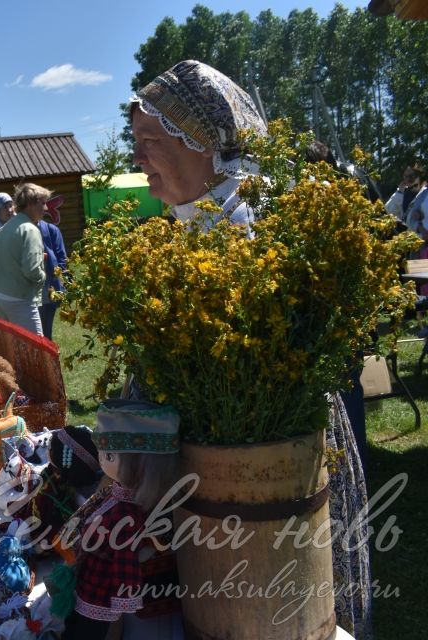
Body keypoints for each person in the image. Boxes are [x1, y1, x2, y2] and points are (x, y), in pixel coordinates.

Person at [131, 59, 371, 638]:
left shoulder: (254, 231)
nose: (137, 156)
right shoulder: (186, 226)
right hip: (214, 471)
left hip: (276, 464)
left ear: (202, 144)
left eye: (149, 141)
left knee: (286, 605)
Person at [59, 401, 183, 639]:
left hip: (101, 584)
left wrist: (122, 598)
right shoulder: (116, 493)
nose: (102, 461)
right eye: (103, 453)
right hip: (89, 573)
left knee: (90, 629)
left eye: (110, 455)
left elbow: (125, 558)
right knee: (77, 621)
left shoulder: (127, 513)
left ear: (142, 464)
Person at [0, 183, 47, 336]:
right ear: (31, 204)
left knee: (4, 347)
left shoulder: (5, 227)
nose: (45, 208)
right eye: (43, 203)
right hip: (18, 298)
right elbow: (31, 270)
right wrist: (44, 275)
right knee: (36, 349)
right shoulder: (30, 229)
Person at [38, 218, 68, 341]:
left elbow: (62, 259)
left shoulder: (52, 230)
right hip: (28, 290)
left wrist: (56, 279)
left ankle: (46, 357)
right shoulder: (21, 230)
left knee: (45, 330)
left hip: (48, 288)